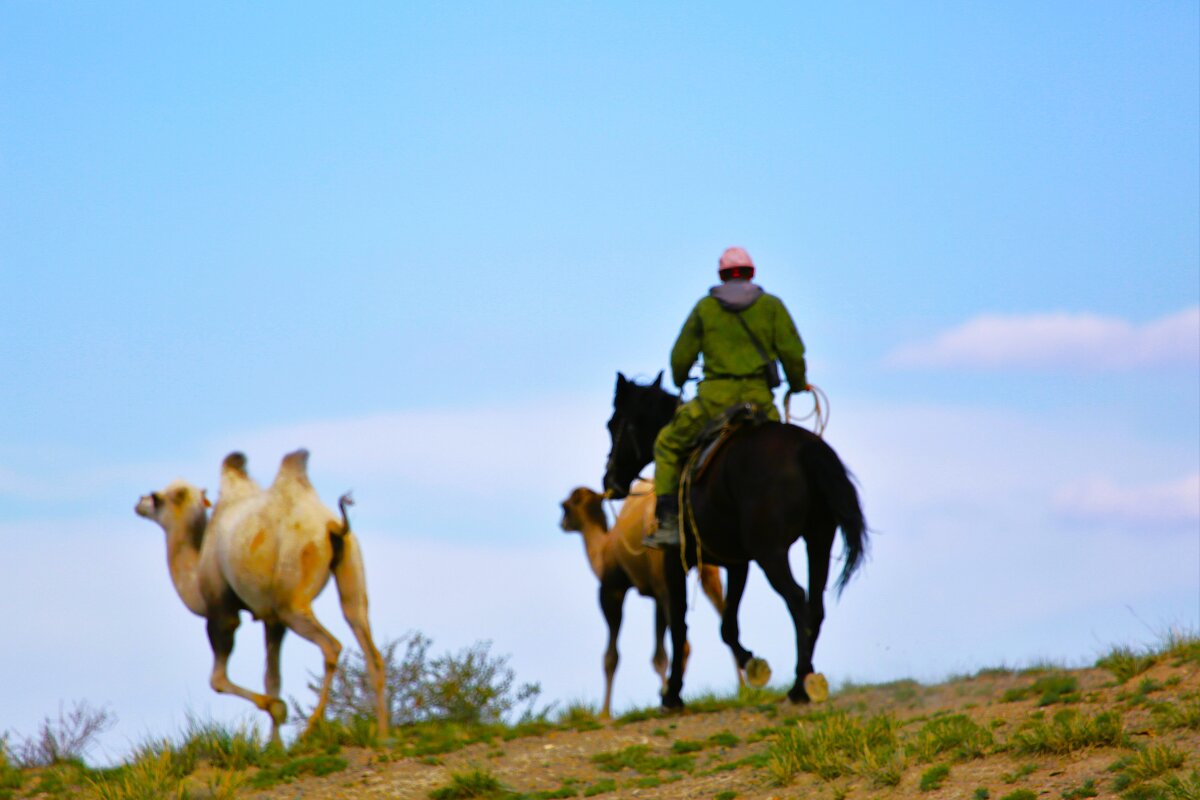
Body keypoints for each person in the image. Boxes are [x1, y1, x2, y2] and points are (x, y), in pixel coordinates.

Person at [645, 246, 810, 548]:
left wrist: (680, 378)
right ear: (752, 273)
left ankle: (669, 525)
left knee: (666, 444)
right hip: (760, 403)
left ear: (721, 275)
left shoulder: (705, 309)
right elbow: (793, 352)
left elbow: (680, 356)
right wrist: (798, 384)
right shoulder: (772, 306)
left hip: (712, 403)